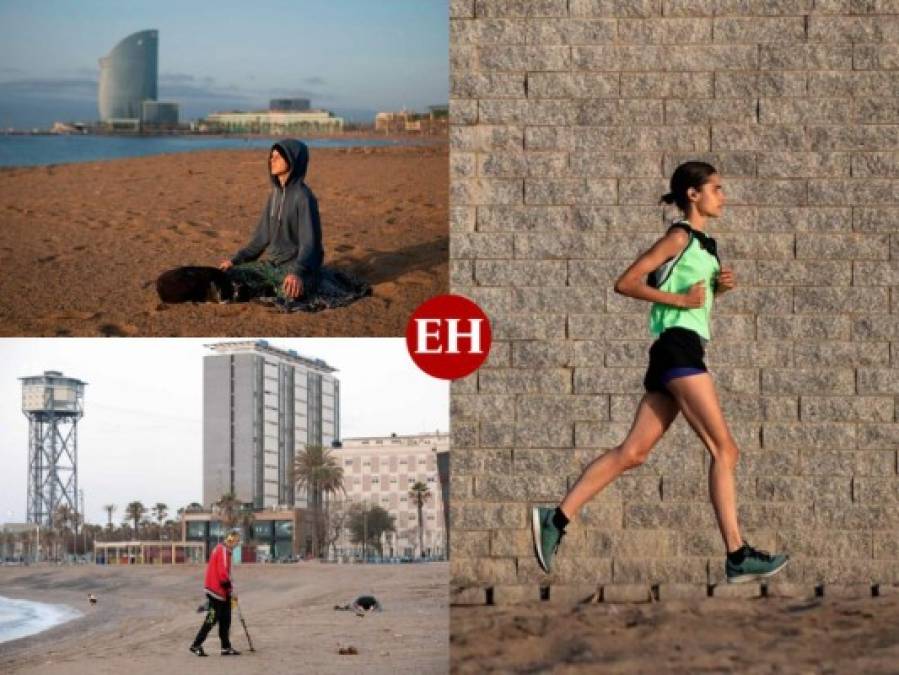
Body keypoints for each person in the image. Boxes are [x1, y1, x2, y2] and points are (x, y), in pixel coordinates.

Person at [531, 161, 790, 585]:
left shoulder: (706, 245)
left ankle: (555, 519)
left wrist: (716, 291)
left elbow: (692, 299)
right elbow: (626, 282)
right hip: (678, 349)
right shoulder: (679, 236)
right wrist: (680, 301)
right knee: (726, 451)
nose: (723, 196)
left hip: (678, 349)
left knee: (633, 453)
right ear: (693, 194)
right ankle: (737, 554)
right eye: (716, 189)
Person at [219, 139, 324, 302]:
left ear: (292, 160)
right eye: (271, 156)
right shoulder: (274, 196)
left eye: (278, 156)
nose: (271, 160)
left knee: (288, 295)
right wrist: (235, 260)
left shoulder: (304, 197)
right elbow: (260, 240)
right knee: (229, 276)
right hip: (273, 266)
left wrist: (297, 273)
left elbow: (310, 245)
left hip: (297, 269)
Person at [190, 530, 242, 657]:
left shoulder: (223, 550)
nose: (236, 545)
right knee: (212, 619)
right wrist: (230, 590)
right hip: (216, 591)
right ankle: (196, 645)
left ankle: (225, 647)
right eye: (236, 542)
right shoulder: (223, 550)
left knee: (226, 619)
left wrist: (229, 589)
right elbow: (223, 573)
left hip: (220, 592)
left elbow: (226, 573)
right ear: (231, 540)